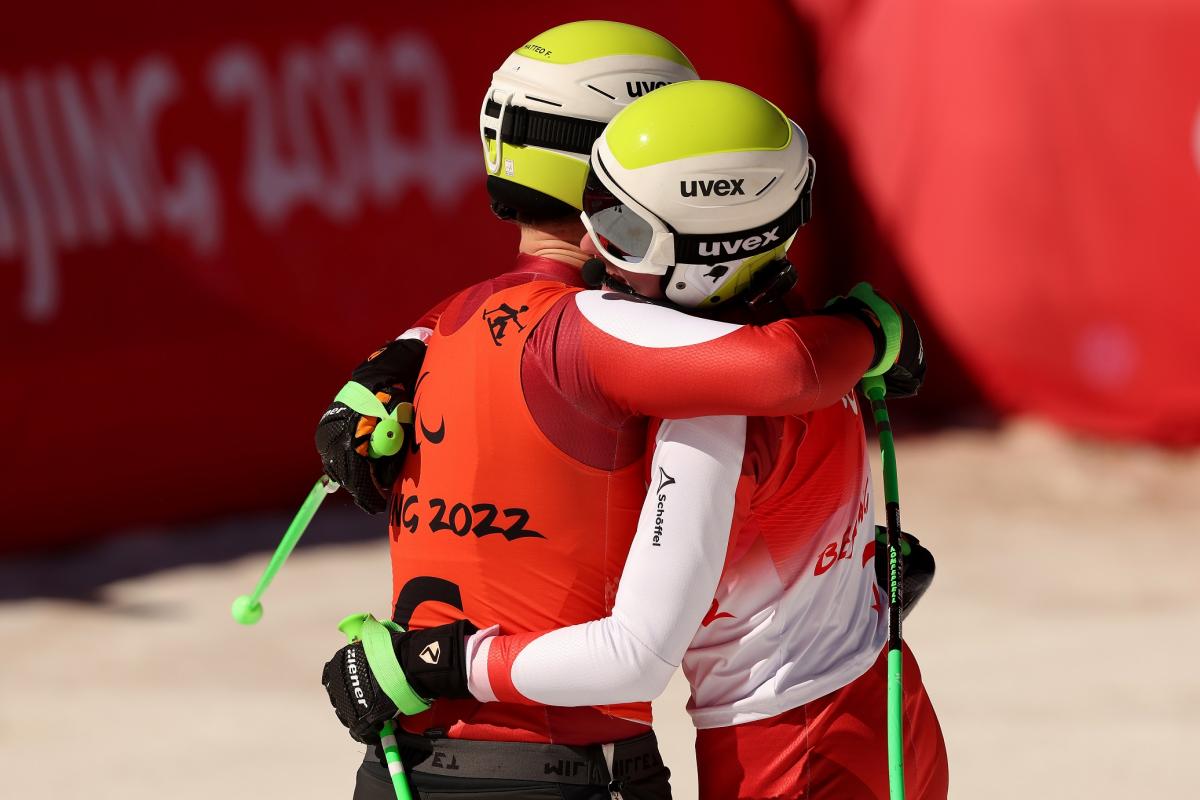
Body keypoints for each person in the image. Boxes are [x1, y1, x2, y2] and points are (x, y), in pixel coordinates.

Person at [316, 27, 923, 800]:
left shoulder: (458, 321)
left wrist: (397, 351)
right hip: (578, 763)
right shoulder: (666, 351)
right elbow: (784, 369)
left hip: (408, 757)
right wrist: (876, 332)